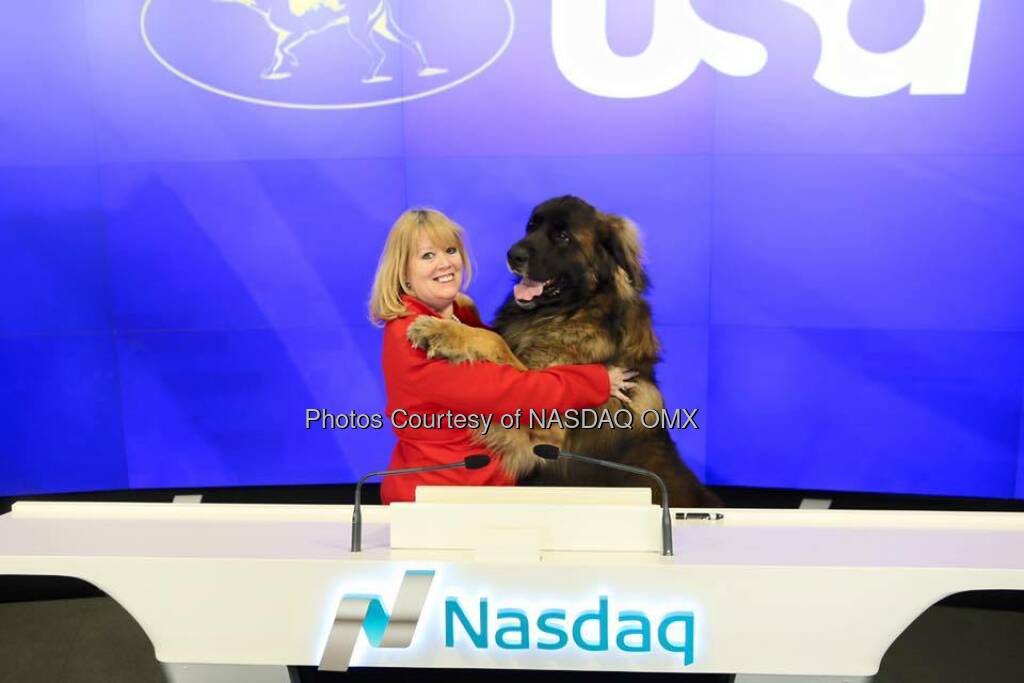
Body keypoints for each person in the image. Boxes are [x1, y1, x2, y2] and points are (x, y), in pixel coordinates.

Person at [368, 208, 637, 503]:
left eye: (450, 250)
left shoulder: (461, 317)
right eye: (427, 256)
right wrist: (596, 382)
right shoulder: (414, 334)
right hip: (443, 498)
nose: (445, 263)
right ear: (403, 272)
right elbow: (514, 393)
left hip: (480, 490)